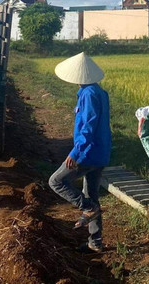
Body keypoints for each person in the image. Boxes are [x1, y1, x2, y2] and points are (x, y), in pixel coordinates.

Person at [49, 52, 111, 253]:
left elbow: (88, 127)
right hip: (100, 153)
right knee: (92, 194)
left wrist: (76, 152)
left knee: (56, 181)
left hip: (88, 153)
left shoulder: (89, 94)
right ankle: (96, 242)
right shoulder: (98, 92)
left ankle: (87, 208)